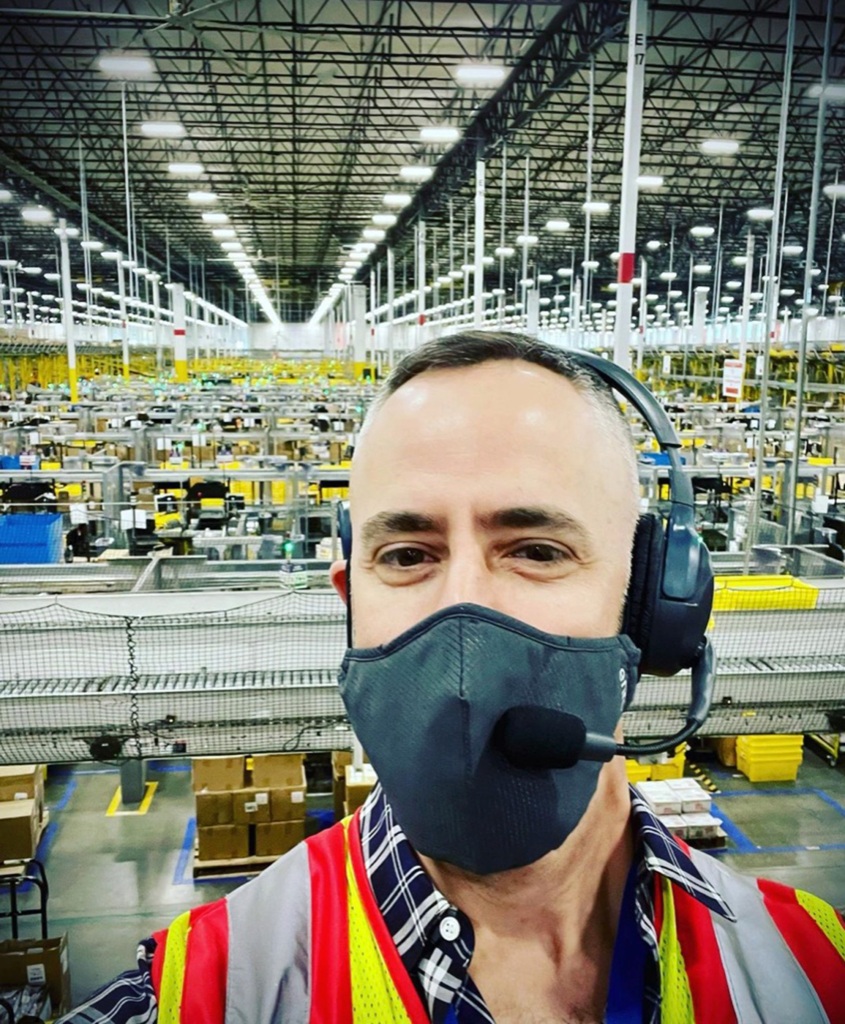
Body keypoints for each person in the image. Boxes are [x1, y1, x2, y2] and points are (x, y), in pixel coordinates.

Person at [59, 332, 845, 1023]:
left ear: (652, 610)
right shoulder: (202, 992)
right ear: (350, 603)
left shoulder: (811, 964)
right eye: (407, 556)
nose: (462, 609)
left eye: (536, 549)